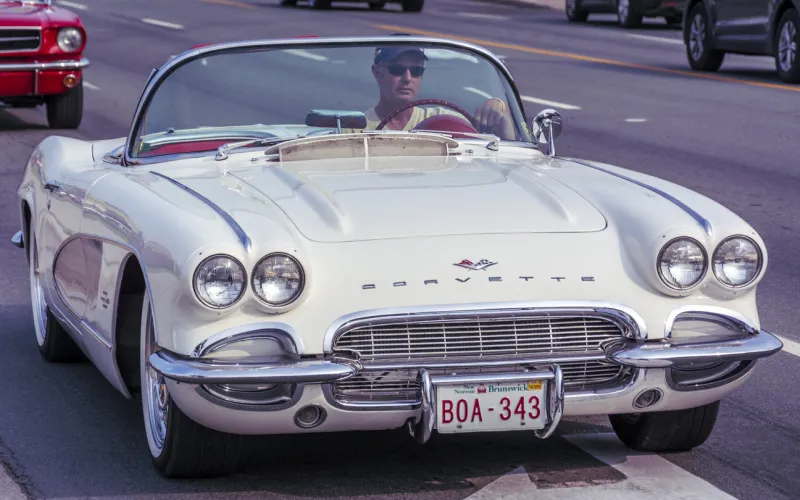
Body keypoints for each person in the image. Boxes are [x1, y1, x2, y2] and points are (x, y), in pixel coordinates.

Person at [362, 44, 517, 139]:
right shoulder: (355, 127)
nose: (407, 78)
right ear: (377, 72)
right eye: (397, 69)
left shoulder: (444, 120)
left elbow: (503, 153)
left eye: (416, 70)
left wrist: (498, 109)